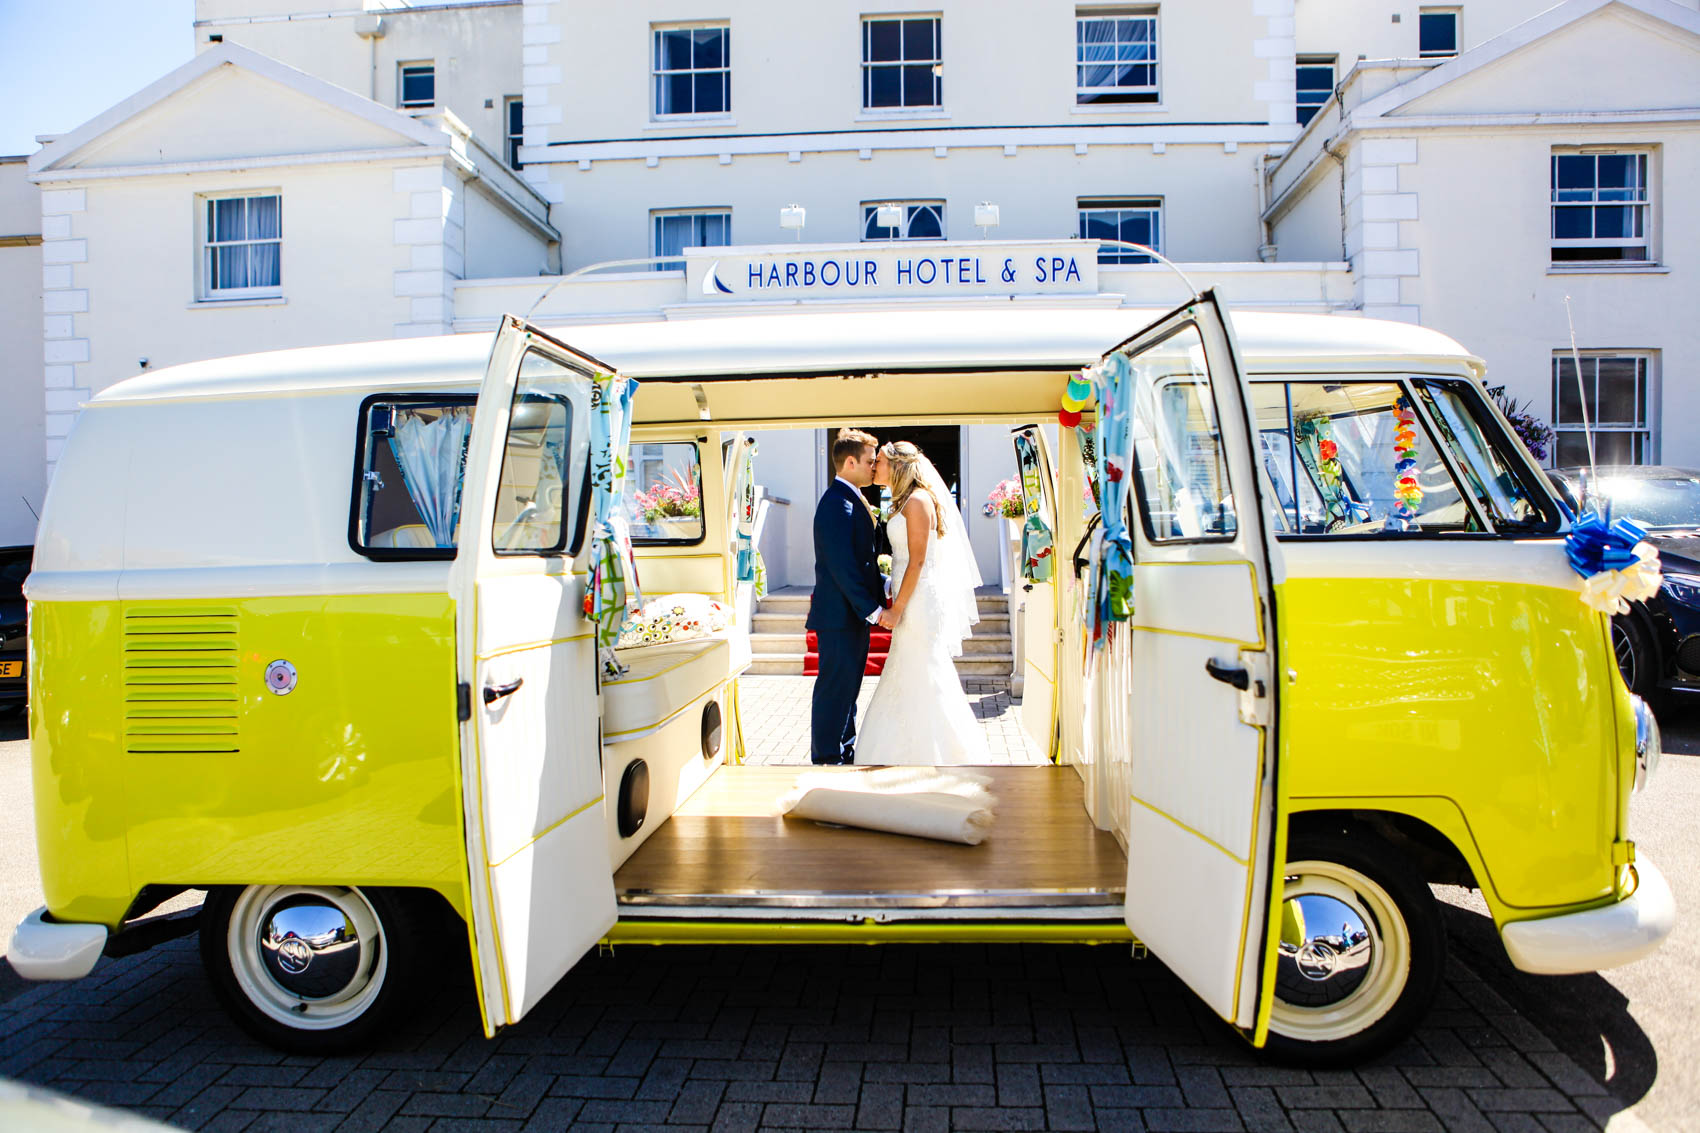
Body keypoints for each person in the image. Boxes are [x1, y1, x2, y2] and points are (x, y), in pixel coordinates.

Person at [853, 441, 991, 765]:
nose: (875, 467)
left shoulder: (917, 501)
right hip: (910, 595)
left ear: (897, 466)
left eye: (881, 462)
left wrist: (897, 608)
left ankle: (943, 754)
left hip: (918, 602)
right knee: (911, 670)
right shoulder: (904, 501)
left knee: (926, 670)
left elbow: (917, 561)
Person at [807, 429, 892, 765]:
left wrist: (884, 584)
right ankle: (826, 759)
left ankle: (844, 750)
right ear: (850, 461)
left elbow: (861, 561)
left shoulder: (852, 498)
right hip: (840, 617)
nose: (874, 468)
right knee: (834, 691)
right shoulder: (836, 504)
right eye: (870, 462)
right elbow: (842, 568)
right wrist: (873, 609)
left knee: (848, 691)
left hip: (848, 617)